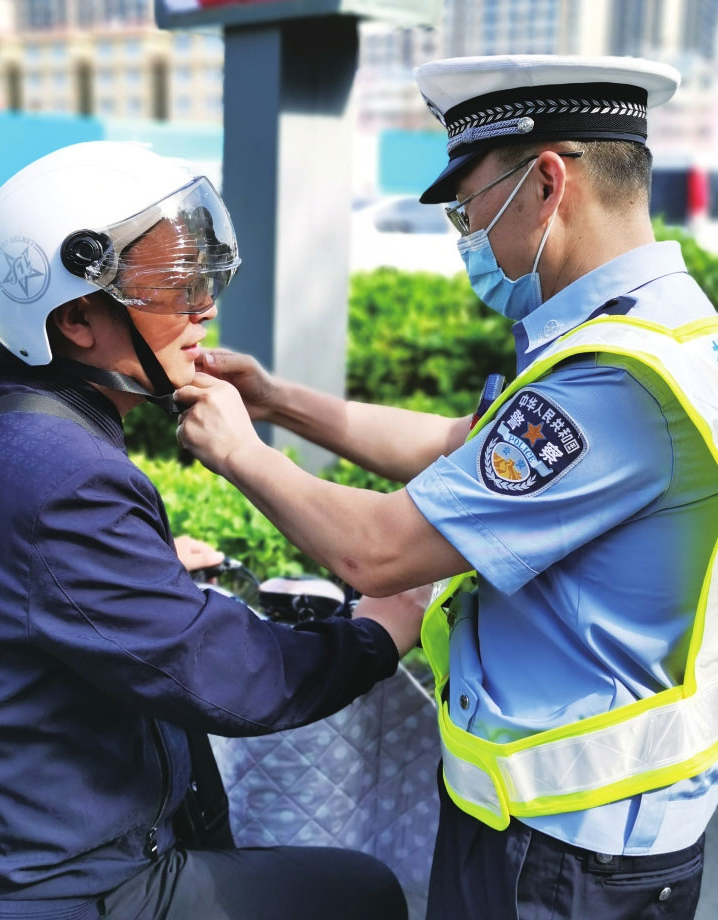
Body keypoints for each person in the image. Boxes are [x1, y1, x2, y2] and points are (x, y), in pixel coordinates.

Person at [174, 55, 718, 920]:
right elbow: (457, 449)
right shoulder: (658, 330)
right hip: (554, 821)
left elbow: (378, 551)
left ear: (547, 184)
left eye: (469, 208)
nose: (465, 237)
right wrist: (279, 402)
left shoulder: (615, 383)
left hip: (567, 848)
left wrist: (241, 452)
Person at [0, 140, 427, 920]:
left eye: (205, 279)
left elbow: (10, 573)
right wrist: (378, 632)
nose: (205, 308)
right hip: (64, 883)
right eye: (176, 286)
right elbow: (235, 681)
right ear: (76, 318)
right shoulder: (66, 477)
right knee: (365, 890)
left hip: (1, 848)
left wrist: (142, 568)